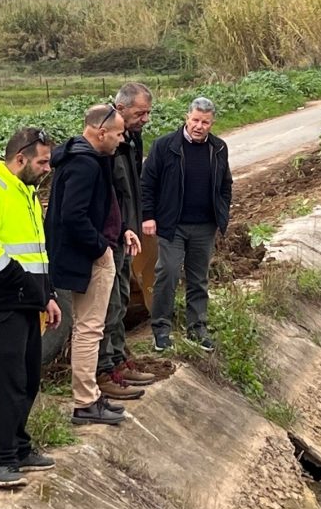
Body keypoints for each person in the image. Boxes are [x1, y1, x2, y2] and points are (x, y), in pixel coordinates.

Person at [0, 127, 62, 489]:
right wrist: (23, 283)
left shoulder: (27, 193)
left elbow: (37, 251)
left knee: (27, 377)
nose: (47, 169)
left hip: (27, 301)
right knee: (6, 382)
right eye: (42, 162)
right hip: (1, 302)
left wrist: (47, 295)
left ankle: (20, 447)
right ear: (20, 158)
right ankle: (1, 460)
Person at [45, 104, 141, 425]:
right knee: (89, 329)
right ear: (101, 133)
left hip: (90, 253)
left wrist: (120, 229)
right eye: (118, 134)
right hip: (90, 258)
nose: (121, 139)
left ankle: (90, 397)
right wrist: (100, 248)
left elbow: (97, 207)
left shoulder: (83, 157)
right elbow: (73, 216)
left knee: (88, 327)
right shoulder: (84, 165)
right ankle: (86, 401)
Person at [142, 96, 232, 352]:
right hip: (173, 225)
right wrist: (148, 216)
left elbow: (226, 184)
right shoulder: (165, 146)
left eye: (205, 122)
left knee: (198, 278)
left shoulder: (219, 148)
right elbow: (147, 183)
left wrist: (222, 212)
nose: (199, 126)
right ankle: (161, 329)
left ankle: (197, 328)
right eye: (195, 120)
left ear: (212, 123)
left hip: (205, 226)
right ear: (186, 118)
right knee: (168, 273)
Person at [95, 83, 156, 402]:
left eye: (148, 113)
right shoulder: (107, 142)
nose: (145, 119)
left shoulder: (132, 139)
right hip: (110, 235)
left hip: (125, 233)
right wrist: (116, 230)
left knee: (120, 296)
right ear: (120, 109)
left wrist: (134, 225)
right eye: (140, 113)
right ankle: (105, 369)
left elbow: (133, 187)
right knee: (108, 301)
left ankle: (118, 359)